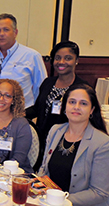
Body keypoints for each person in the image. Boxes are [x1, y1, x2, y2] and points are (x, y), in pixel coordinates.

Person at [38, 84, 109, 206]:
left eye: (83, 103)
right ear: (64, 107)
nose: (76, 107)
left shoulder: (102, 143)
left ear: (91, 110)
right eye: (72, 102)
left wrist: (60, 200)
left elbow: (99, 193)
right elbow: (44, 170)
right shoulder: (55, 130)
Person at [27, 41, 88, 171]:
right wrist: (18, 113)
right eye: (58, 58)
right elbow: (38, 109)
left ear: (76, 60)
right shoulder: (48, 83)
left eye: (68, 58)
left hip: (66, 142)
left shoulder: (82, 88)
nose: (61, 62)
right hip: (43, 139)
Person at [0, 13, 47, 115]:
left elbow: (41, 88)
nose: (1, 34)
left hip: (20, 114)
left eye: (6, 29)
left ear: (15, 32)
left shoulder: (32, 56)